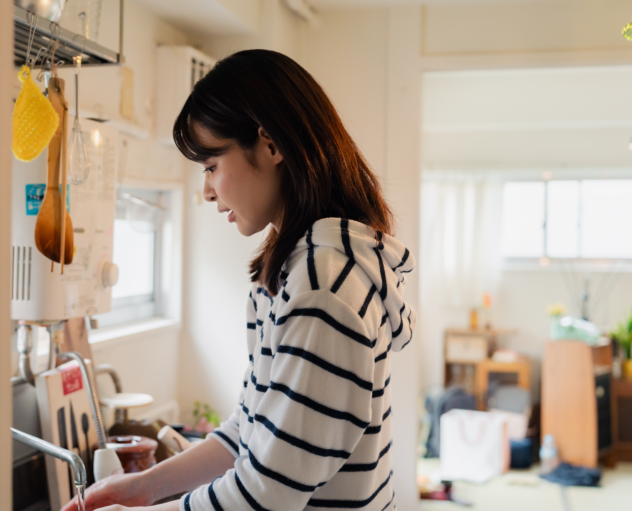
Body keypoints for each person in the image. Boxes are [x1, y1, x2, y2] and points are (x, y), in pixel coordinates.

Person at [62, 49, 415, 511]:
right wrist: (142, 488)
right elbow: (250, 427)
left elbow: (265, 495)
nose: (206, 191)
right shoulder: (305, 268)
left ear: (270, 144)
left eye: (211, 166)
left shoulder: (323, 288)